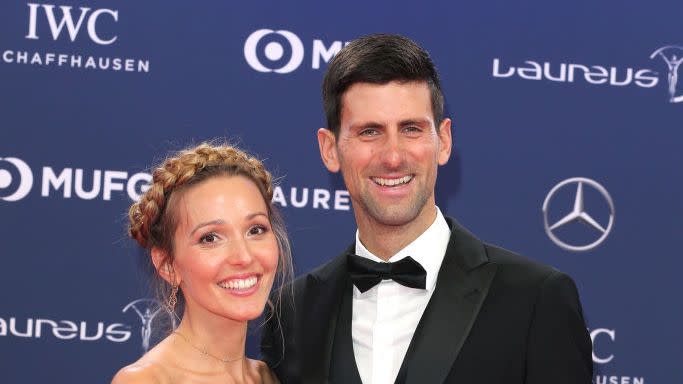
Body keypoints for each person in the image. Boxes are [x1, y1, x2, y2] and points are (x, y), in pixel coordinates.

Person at [261, 34, 593, 384]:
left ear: (444, 141)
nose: (392, 157)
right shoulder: (291, 314)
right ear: (329, 150)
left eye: (411, 129)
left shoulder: (535, 300)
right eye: (370, 132)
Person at [113, 142, 291, 384]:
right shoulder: (148, 380)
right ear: (167, 264)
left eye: (256, 229)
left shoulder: (267, 377)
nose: (244, 257)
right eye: (210, 238)